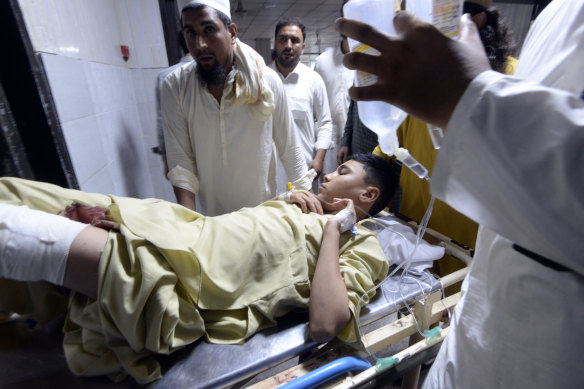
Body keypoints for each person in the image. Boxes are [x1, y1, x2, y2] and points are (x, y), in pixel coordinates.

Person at [336, 0, 583, 387]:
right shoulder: (558, 16)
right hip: (429, 251)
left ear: (474, 22)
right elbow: (390, 154)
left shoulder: (508, 77)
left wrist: (469, 100)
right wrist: (353, 185)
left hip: (470, 255)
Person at [0, 153, 399, 384]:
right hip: (169, 225)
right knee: (14, 193)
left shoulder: (362, 244)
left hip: (176, 274)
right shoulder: (301, 204)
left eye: (342, 171)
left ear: (367, 195)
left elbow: (326, 322)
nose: (327, 174)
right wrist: (281, 201)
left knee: (21, 234)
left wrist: (333, 229)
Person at [373, 0, 518, 294]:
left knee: (459, 310)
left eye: (432, 18)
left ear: (475, 21)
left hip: (474, 237)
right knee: (418, 310)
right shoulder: (420, 76)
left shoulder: (513, 78)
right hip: (418, 228)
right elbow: (390, 144)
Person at [161, 0, 312, 216]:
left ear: (232, 32)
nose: (200, 44)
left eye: (209, 30)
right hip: (211, 218)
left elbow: (290, 149)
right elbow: (181, 164)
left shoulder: (266, 82)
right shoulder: (175, 86)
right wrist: (189, 226)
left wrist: (312, 214)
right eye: (190, 33)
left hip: (263, 214)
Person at [269, 17, 333, 192]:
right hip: (268, 171)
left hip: (303, 170)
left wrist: (319, 158)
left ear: (303, 47)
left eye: (295, 40)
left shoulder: (313, 80)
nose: (288, 45)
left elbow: (325, 123)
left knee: (302, 214)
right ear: (275, 43)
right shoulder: (263, 79)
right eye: (283, 39)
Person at [314, 2, 354, 177]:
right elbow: (315, 107)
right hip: (328, 146)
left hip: (357, 143)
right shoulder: (323, 61)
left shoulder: (368, 62)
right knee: (328, 192)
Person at [153, 31, 193, 177]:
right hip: (210, 151)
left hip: (178, 150)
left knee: (185, 193)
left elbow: (162, 120)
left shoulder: (164, 76)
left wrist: (165, 157)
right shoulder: (208, 72)